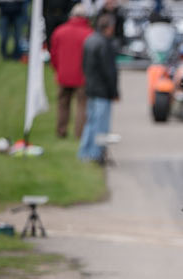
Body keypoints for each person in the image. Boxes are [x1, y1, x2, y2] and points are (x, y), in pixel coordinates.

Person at [78, 13, 118, 163]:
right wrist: (114, 91)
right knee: (101, 125)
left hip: (91, 87)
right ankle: (96, 154)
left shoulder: (90, 40)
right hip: (102, 90)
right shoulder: (104, 44)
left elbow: (84, 65)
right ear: (108, 28)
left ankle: (84, 152)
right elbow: (109, 71)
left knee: (90, 122)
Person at [50, 3, 92, 138]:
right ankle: (79, 134)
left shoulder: (59, 31)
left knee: (63, 104)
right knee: (82, 106)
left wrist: (57, 70)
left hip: (63, 75)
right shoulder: (89, 34)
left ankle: (61, 131)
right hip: (82, 76)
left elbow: (53, 54)